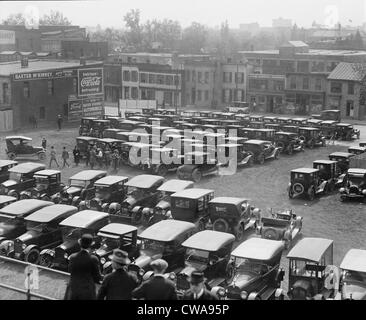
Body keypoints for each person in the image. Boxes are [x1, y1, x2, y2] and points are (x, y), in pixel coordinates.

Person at [64, 234, 102, 300]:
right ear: (91, 244)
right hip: (87, 290)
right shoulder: (93, 259)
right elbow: (97, 276)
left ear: (80, 243)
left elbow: (70, 270)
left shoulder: (73, 257)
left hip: (74, 288)